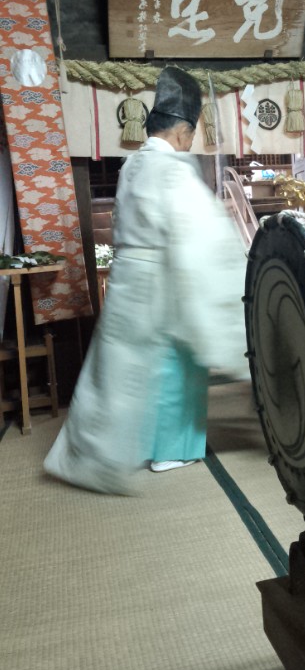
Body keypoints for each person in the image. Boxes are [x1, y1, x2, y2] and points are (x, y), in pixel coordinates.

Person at [44, 67, 248, 493]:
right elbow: (199, 232)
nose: (190, 143)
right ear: (183, 130)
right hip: (164, 279)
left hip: (128, 280)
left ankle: (113, 448)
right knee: (177, 365)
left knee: (122, 369)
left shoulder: (132, 165)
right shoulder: (173, 169)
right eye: (191, 135)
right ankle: (170, 451)